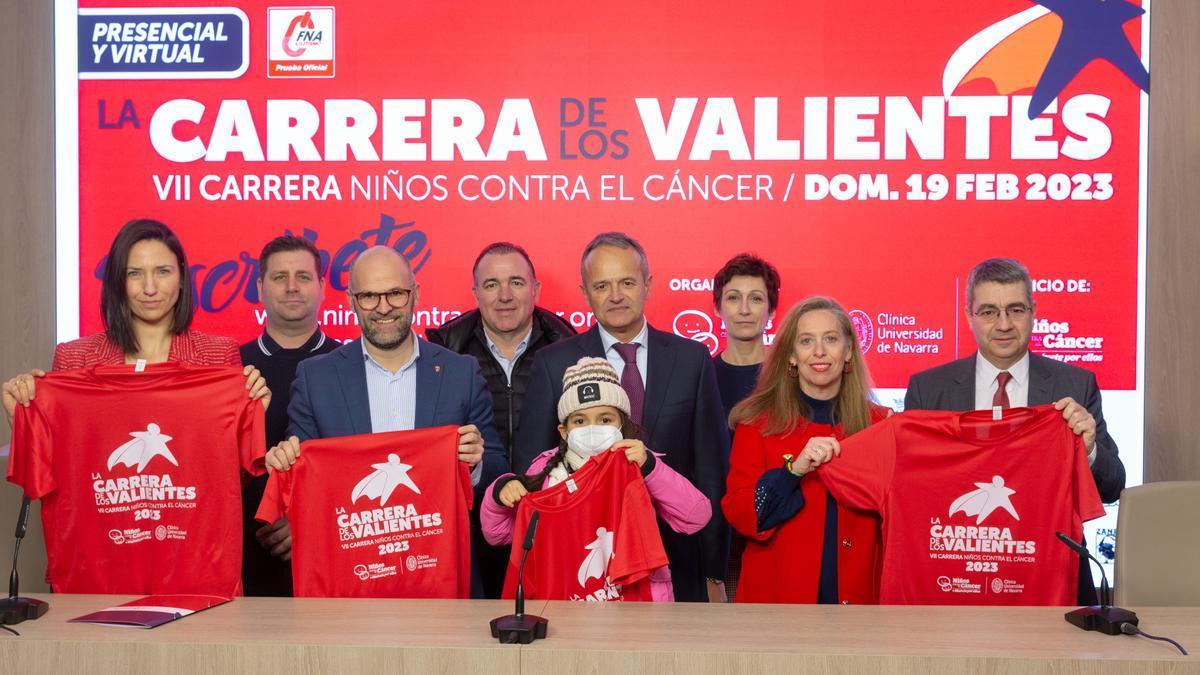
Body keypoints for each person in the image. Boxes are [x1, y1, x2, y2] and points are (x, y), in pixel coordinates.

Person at [265, 246, 506, 595]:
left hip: (440, 581)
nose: (383, 307)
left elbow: (499, 471)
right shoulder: (316, 379)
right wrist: (285, 465)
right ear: (350, 300)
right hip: (353, 583)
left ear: (416, 294)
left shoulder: (460, 373)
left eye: (394, 293)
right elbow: (303, 471)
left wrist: (477, 463)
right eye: (368, 296)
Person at [514, 232, 729, 603]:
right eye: (602, 285)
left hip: (675, 557)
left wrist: (713, 567)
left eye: (627, 282)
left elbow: (711, 469)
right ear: (585, 292)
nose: (615, 295)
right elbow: (531, 467)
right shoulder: (552, 363)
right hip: (583, 559)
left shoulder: (692, 359)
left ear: (647, 285)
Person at [903, 257, 1125, 604]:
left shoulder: (1075, 385)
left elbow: (1113, 487)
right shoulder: (929, 390)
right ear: (969, 317)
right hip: (954, 577)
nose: (1004, 324)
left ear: (1033, 312)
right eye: (989, 311)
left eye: (1016, 310)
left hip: (1050, 578)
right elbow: (911, 492)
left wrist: (1090, 448)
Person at [481, 357, 711, 601]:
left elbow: (696, 517)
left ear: (622, 424)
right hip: (566, 603)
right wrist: (500, 491)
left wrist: (651, 469)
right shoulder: (546, 474)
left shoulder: (638, 463)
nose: (593, 428)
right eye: (580, 421)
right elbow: (499, 534)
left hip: (638, 603)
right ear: (564, 430)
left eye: (605, 419)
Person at [3, 218, 269, 424]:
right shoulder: (73, 359)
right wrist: (22, 419)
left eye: (163, 272)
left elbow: (232, 476)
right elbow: (56, 464)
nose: (150, 288)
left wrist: (249, 421)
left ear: (182, 277)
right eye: (134, 274)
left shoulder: (219, 355)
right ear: (117, 281)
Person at [425, 241, 575, 599]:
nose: (504, 295)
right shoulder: (443, 353)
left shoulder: (569, 348)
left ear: (536, 289)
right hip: (468, 530)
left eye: (517, 283)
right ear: (475, 292)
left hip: (552, 525)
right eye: (491, 284)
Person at [722, 296, 891, 604]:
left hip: (861, 601)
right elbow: (739, 512)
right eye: (806, 341)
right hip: (777, 600)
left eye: (830, 339)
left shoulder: (881, 425)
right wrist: (793, 471)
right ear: (790, 356)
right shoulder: (756, 423)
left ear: (849, 350)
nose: (819, 352)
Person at [239, 235, 339, 597]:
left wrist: (309, 524)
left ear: (323, 287)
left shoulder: (352, 366)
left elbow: (358, 465)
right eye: (280, 277)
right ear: (260, 288)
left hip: (336, 551)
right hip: (243, 558)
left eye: (304, 276)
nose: (292, 287)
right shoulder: (231, 368)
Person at [710, 253, 781, 600]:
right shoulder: (700, 376)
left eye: (756, 299)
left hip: (775, 526)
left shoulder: (791, 378)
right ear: (718, 308)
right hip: (715, 530)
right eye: (733, 298)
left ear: (772, 310)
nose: (744, 309)